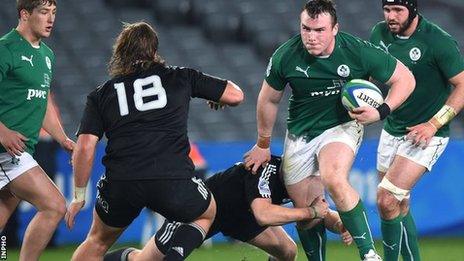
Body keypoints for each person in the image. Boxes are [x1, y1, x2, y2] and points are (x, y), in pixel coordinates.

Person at [243, 0, 416, 260]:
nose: (311, 37)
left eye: (320, 30)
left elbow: (405, 79)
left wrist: (381, 111)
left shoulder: (358, 51)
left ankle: (369, 254)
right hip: (301, 133)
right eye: (306, 29)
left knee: (333, 176)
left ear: (335, 28)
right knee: (307, 211)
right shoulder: (286, 55)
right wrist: (263, 144)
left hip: (341, 126)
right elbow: (268, 99)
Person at [64, 21, 244, 261]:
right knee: (206, 212)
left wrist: (78, 197)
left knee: (96, 241)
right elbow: (236, 95)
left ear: (120, 52)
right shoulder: (181, 76)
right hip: (172, 179)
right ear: (154, 51)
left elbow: (85, 147)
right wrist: (219, 99)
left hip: (122, 182)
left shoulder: (101, 94)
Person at [104, 156, 353, 261]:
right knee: (144, 260)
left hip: (241, 217)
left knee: (287, 251)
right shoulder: (266, 168)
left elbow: (321, 210)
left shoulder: (305, 178)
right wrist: (311, 213)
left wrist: (341, 223)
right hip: (203, 208)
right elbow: (264, 214)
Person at [369, 1, 464, 260]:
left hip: (426, 132)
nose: (391, 16)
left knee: (386, 199)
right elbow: (368, 72)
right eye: (387, 10)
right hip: (392, 128)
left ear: (413, 10)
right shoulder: (379, 33)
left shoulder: (438, 42)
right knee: (397, 204)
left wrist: (434, 124)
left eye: (398, 10)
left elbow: (462, 85)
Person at [0, 1, 75, 260]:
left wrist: (62, 138)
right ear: (24, 14)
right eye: (44, 12)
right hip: (5, 151)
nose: (50, 19)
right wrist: (2, 131)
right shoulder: (5, 48)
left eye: (54, 13)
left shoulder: (47, 55)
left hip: (21, 152)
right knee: (54, 206)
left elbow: (41, 103)